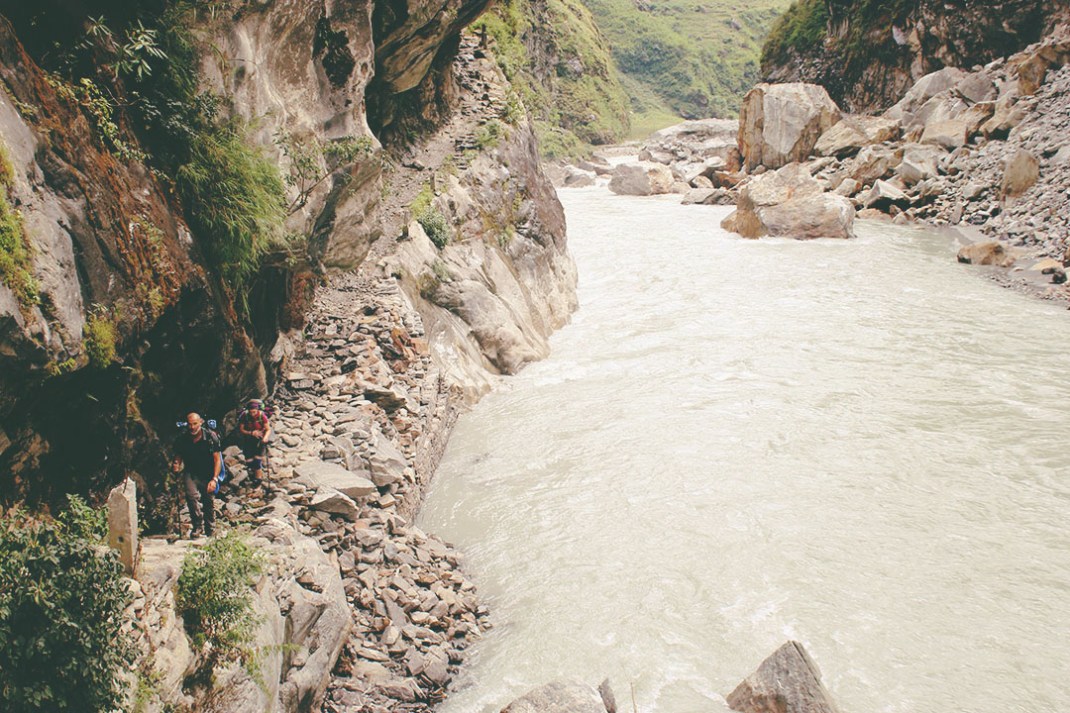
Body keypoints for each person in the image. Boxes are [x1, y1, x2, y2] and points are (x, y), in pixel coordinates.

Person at [171, 412, 223, 537]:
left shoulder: (211, 437)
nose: (192, 427)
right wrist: (176, 464)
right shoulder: (182, 439)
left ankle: (210, 528)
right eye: (190, 424)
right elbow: (178, 456)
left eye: (195, 424)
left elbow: (217, 460)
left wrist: (215, 479)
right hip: (191, 472)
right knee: (191, 497)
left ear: (200, 422)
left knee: (208, 500)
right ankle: (197, 526)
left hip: (208, 472)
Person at [238, 399, 272, 488]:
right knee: (249, 459)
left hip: (260, 439)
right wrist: (251, 433)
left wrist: (265, 438)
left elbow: (268, 429)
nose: (252, 414)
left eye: (254, 412)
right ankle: (253, 473)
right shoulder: (244, 416)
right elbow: (241, 429)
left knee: (257, 459)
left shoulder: (262, 416)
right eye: (251, 412)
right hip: (249, 439)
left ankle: (258, 479)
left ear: (257, 410)